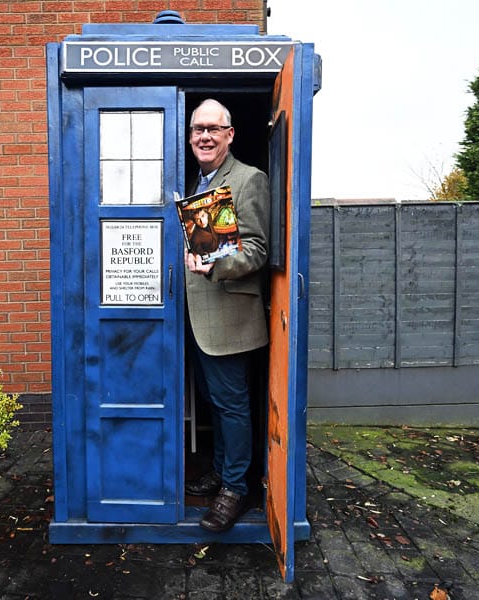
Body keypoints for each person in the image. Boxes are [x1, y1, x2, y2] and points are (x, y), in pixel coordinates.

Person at [183, 98, 270, 533]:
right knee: (216, 403)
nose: (204, 136)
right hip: (197, 317)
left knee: (232, 406)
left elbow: (257, 250)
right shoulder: (194, 183)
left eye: (214, 129)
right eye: (198, 128)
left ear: (230, 135)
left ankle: (235, 487)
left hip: (230, 317)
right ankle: (221, 470)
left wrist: (216, 266)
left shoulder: (249, 180)